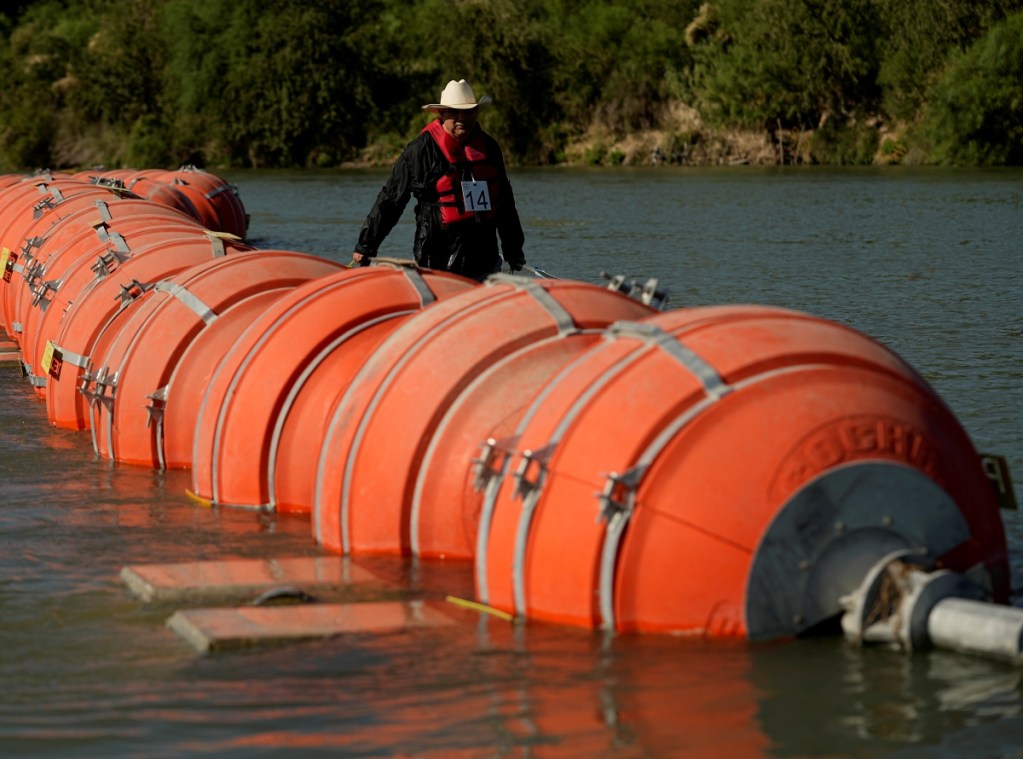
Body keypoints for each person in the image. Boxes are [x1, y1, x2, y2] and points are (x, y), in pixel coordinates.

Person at [351, 79, 525, 281]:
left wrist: (513, 251)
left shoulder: (489, 148)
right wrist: (366, 245)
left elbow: (504, 202)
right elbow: (391, 199)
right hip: (436, 255)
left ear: (476, 113)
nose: (462, 118)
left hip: (483, 256)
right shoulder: (419, 150)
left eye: (468, 111)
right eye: (454, 112)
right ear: (442, 114)